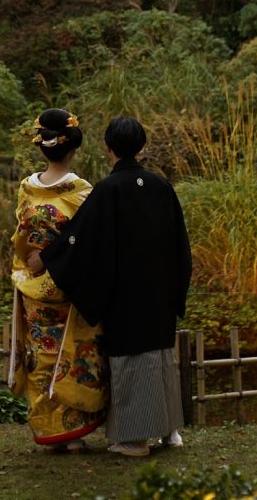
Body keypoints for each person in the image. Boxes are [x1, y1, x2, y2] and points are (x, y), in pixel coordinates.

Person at [31, 114, 192, 458]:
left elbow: (80, 237)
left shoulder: (108, 189)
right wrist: (178, 286)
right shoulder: (161, 186)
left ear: (108, 148)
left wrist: (47, 257)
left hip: (126, 293)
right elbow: (181, 241)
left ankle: (135, 440)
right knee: (160, 356)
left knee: (133, 359)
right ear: (142, 147)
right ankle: (169, 431)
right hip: (160, 290)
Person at [9, 107, 109, 451]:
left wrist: (30, 264)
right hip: (68, 286)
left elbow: (19, 239)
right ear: (73, 148)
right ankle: (72, 431)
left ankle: (50, 433)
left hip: (33, 285)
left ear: (43, 148)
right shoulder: (82, 193)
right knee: (71, 354)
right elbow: (92, 243)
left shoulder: (27, 190)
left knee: (42, 354)